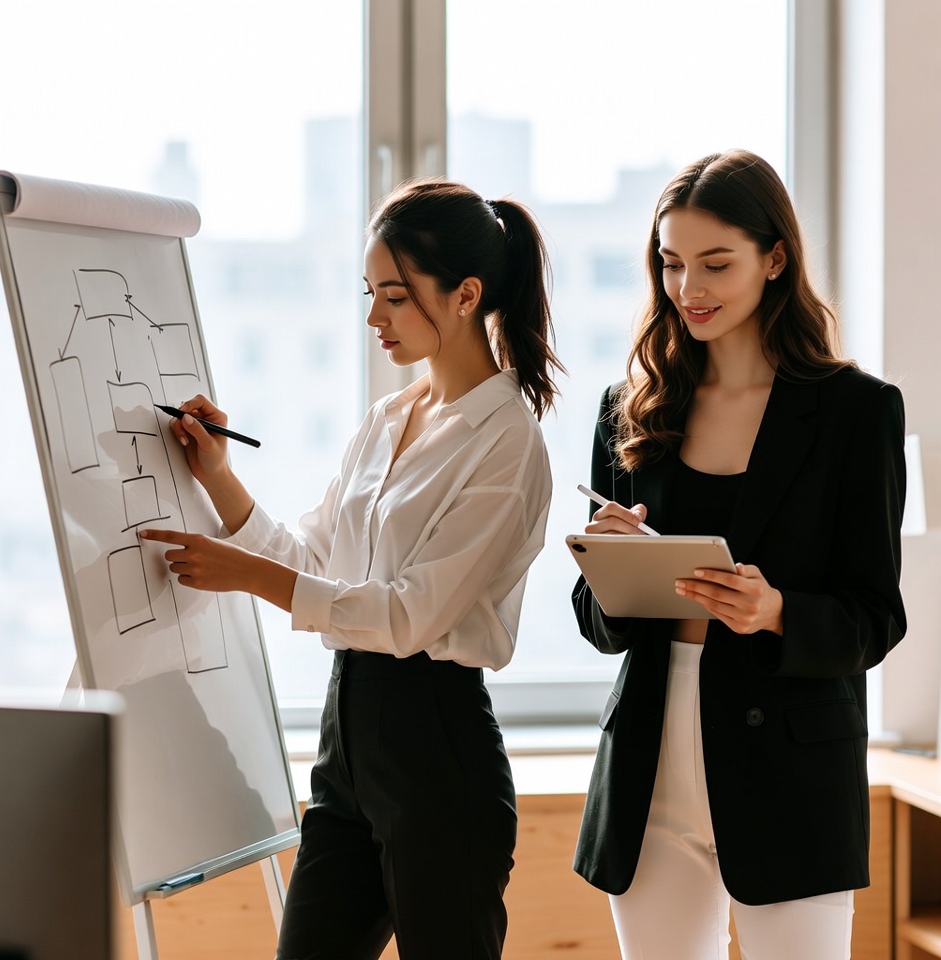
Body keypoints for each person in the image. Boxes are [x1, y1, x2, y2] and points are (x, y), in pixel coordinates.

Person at [140, 178, 565, 960]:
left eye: (396, 297)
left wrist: (243, 574)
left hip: (438, 751)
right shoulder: (388, 417)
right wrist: (220, 479)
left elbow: (407, 616)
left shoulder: (507, 440)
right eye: (371, 293)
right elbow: (313, 561)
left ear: (466, 294)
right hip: (349, 748)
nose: (375, 317)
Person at [570, 150, 906, 960]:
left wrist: (779, 611)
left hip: (792, 774)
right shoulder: (631, 407)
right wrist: (609, 571)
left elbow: (876, 617)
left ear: (775, 258)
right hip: (651, 769)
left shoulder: (857, 413)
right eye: (672, 263)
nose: (690, 289)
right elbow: (595, 623)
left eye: (715, 264)